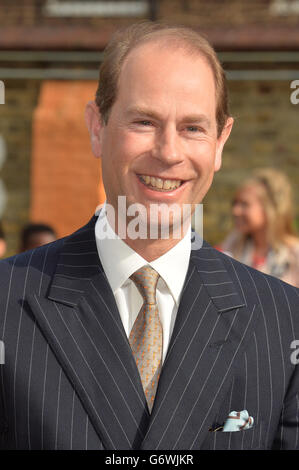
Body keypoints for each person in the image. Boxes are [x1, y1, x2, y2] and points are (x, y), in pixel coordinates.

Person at [0, 22, 298, 451]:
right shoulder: (9, 301)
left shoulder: (283, 321)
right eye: (144, 121)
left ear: (220, 142)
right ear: (96, 127)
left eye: (193, 128)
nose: (168, 152)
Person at [216, 168, 299, 287]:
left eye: (245, 204)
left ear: (268, 208)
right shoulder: (233, 245)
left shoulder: (294, 255)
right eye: (235, 203)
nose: (235, 211)